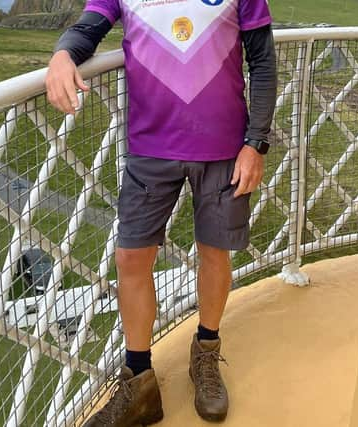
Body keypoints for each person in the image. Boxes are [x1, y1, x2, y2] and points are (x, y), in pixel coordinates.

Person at [45, 0, 277, 423]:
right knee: (130, 258)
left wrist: (256, 142)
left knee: (214, 252)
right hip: (150, 148)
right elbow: (88, 29)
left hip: (225, 149)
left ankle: (206, 352)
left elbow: (263, 61)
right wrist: (62, 55)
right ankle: (139, 381)